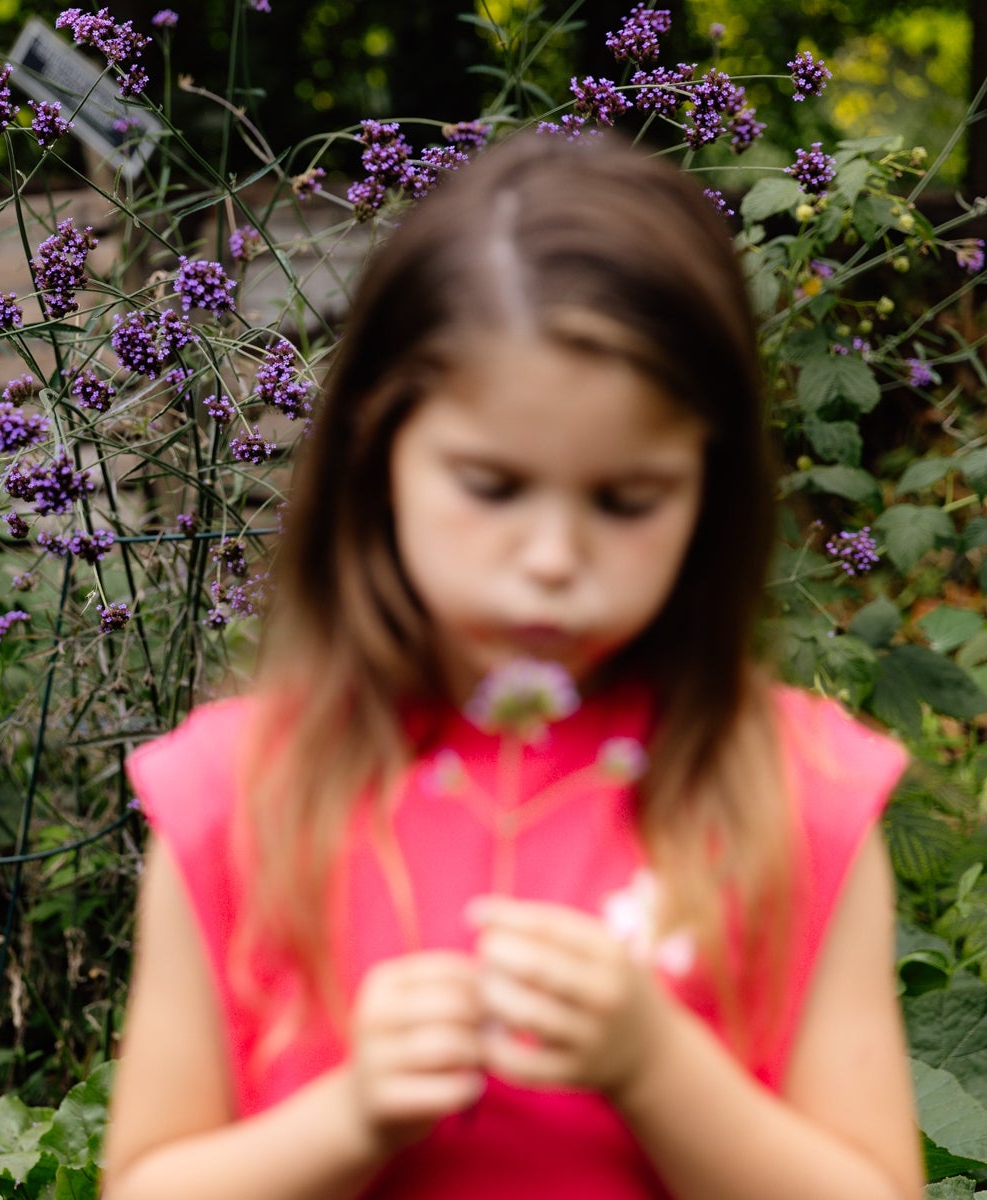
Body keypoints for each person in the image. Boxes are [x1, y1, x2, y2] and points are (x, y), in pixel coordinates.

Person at [101, 132, 921, 1200]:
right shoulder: (238, 794)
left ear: (709, 493)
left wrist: (655, 1066)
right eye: (490, 487)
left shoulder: (792, 795)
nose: (549, 562)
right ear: (375, 446)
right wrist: (347, 1118)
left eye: (625, 501)